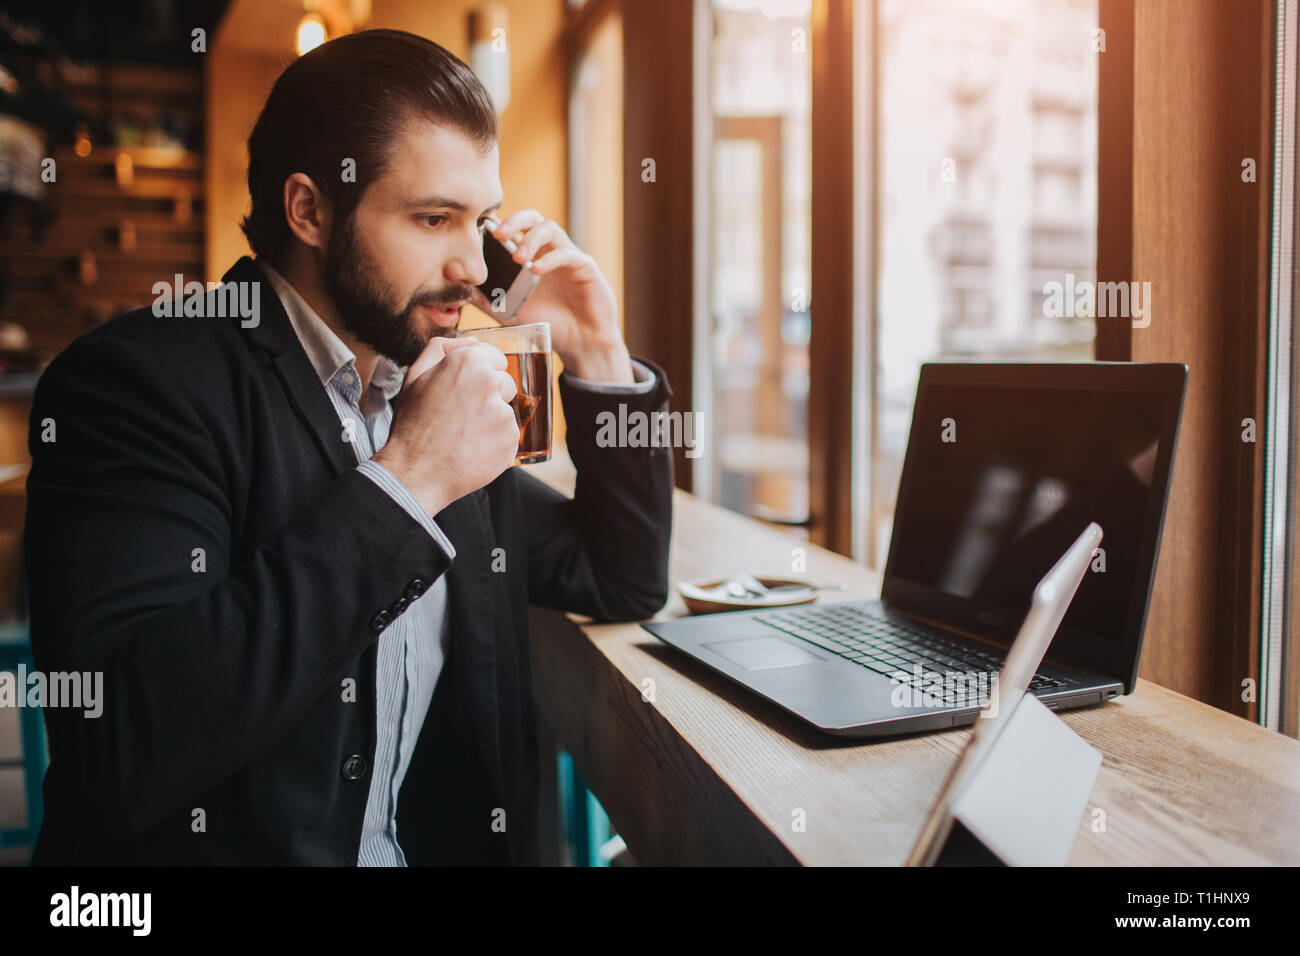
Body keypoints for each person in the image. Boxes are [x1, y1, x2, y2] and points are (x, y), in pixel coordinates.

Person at [23, 29, 673, 865]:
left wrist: (599, 351)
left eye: (480, 221)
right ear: (310, 210)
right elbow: (117, 749)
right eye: (433, 218)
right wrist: (406, 485)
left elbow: (620, 576)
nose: (474, 267)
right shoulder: (133, 385)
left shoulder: (431, 390)